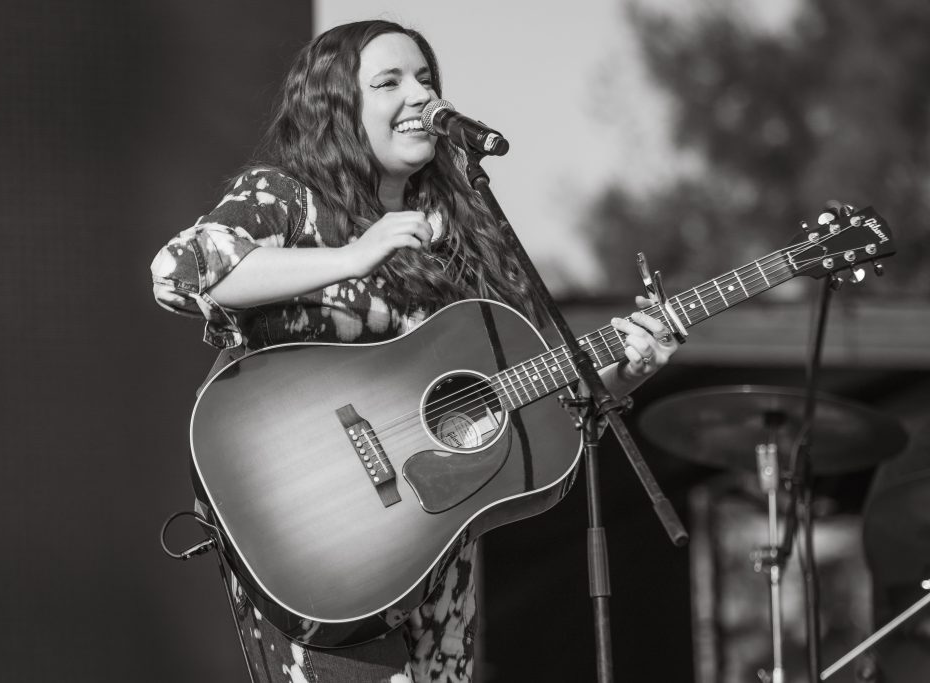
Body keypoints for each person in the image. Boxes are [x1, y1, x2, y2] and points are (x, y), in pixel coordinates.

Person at [150, 19, 679, 683]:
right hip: (321, 544)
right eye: (390, 82)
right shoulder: (286, 198)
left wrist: (623, 367)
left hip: (435, 571)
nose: (420, 96)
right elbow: (179, 271)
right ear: (338, 105)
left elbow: (533, 398)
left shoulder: (461, 240)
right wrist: (354, 253)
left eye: (426, 79)